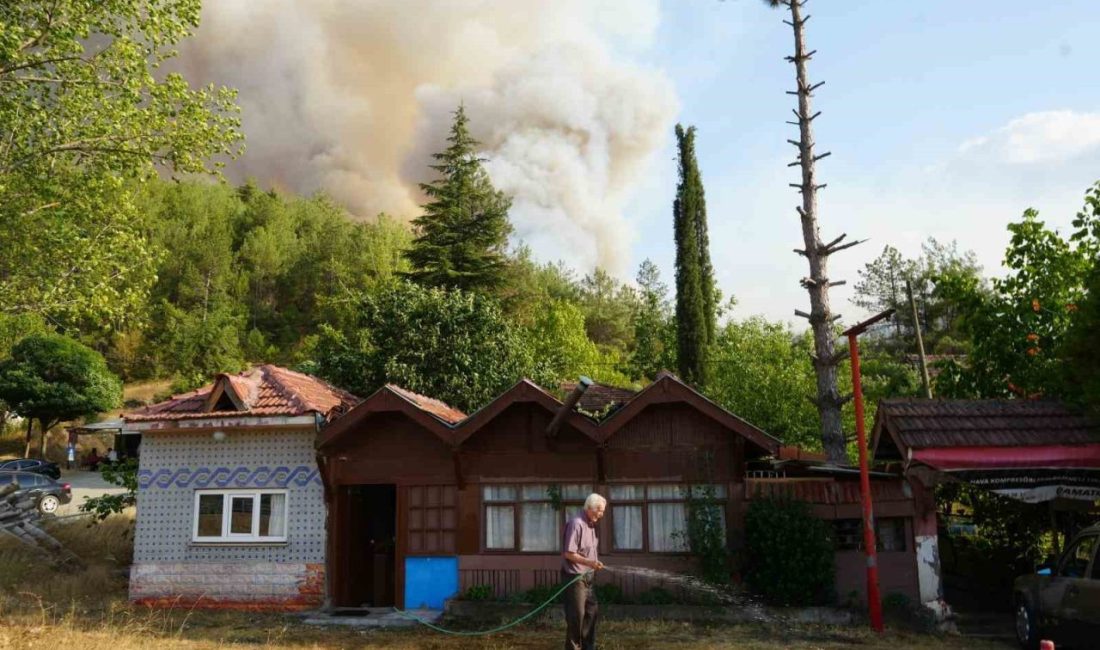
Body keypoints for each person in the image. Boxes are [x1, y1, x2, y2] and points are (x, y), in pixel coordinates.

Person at [561, 493, 606, 650]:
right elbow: (568, 553)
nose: (601, 515)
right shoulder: (576, 524)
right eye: (600, 511)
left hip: (588, 577)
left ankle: (588, 647)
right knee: (576, 617)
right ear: (590, 508)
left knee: (592, 612)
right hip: (575, 578)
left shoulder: (591, 525)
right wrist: (590, 562)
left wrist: (592, 565)